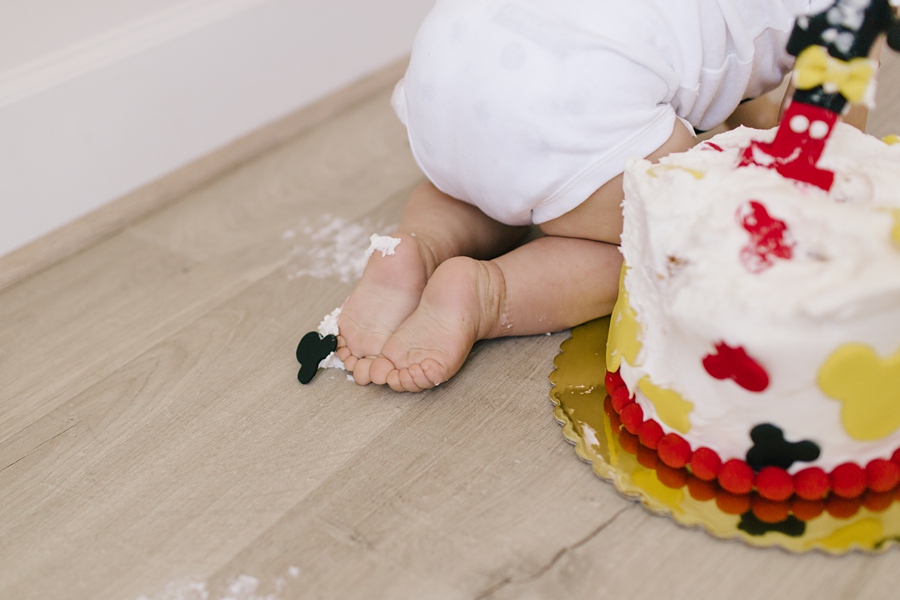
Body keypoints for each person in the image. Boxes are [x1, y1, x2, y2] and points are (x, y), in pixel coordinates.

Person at [333, 0, 860, 392]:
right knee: (662, 236)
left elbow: (737, 65)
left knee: (483, 177)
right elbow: (826, 142)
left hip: (455, 60)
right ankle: (490, 291)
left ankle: (416, 245)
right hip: (569, 95)